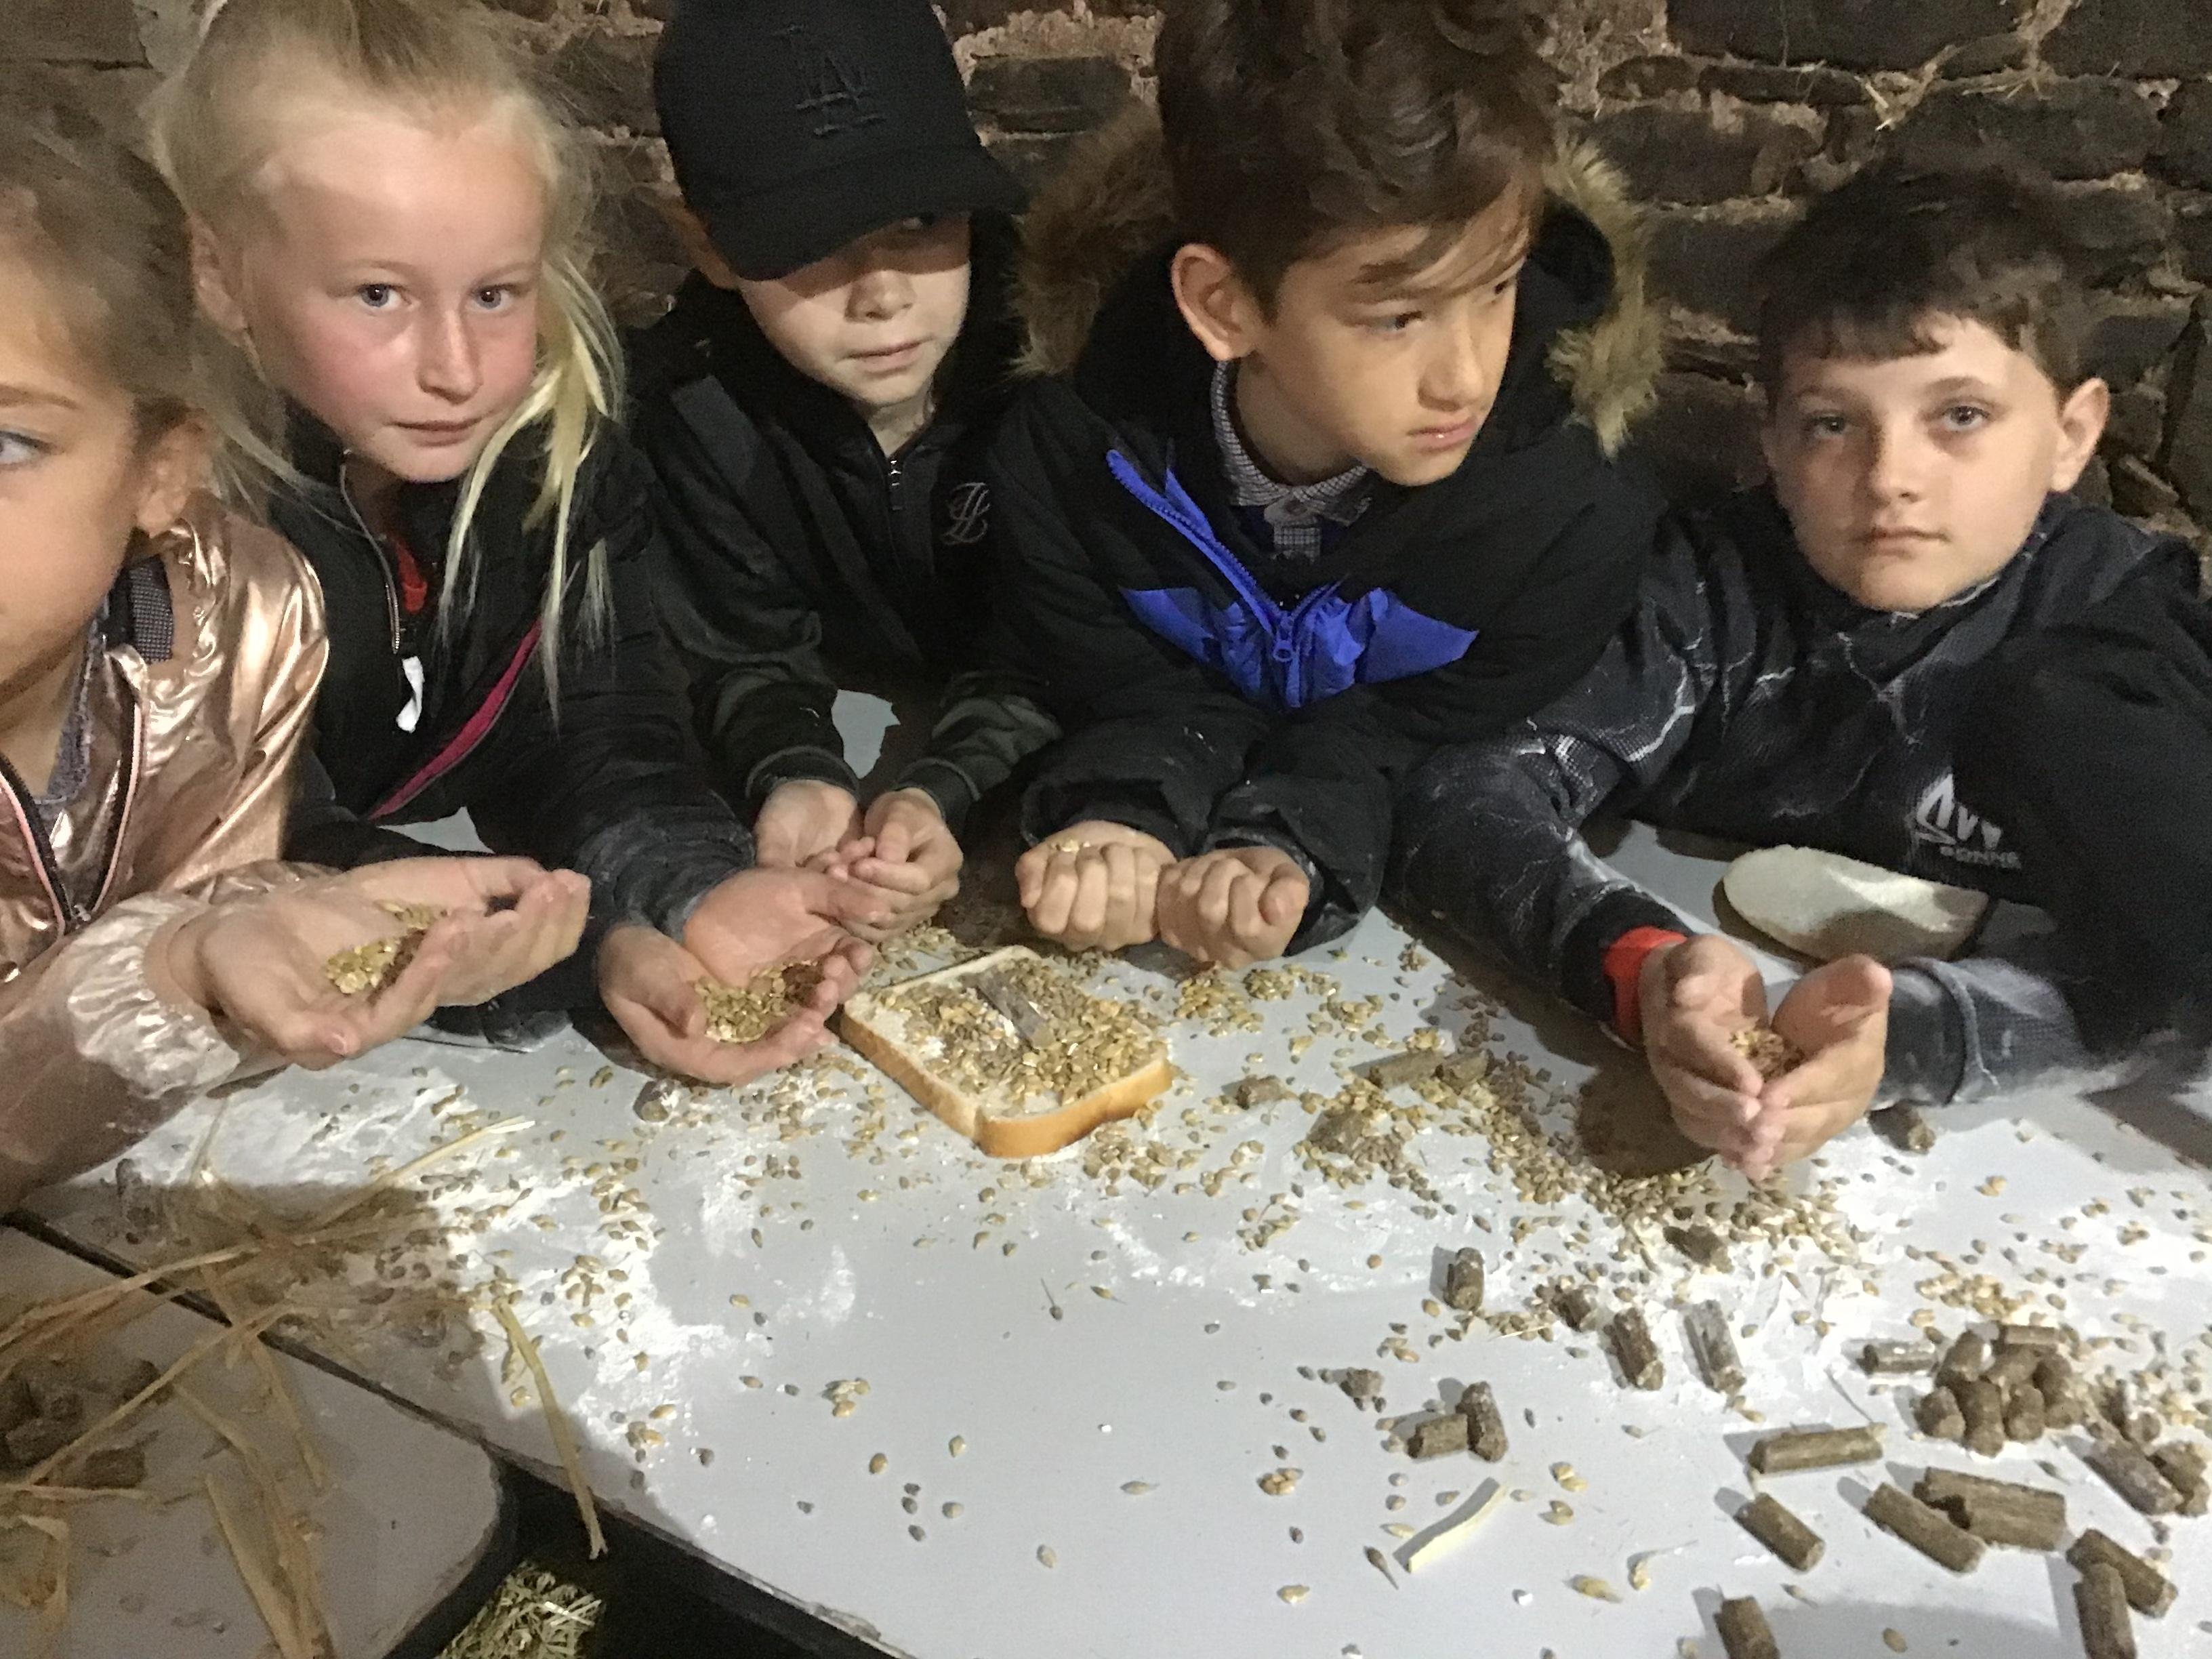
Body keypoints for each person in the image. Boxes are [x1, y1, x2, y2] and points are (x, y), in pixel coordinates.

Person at [1391, 157, 2200, 1177]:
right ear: (1771, 441)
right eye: (1832, 424)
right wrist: (1640, 967)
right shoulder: (1707, 595)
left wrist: (1913, 1037)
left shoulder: (2125, 640)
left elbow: (2189, 966)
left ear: (2071, 434)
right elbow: (1463, 790)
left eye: (1960, 416)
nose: (1890, 477)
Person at [152, 0, 881, 1086]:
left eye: (495, 294)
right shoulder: (164, 543)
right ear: (219, 275)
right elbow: (250, 840)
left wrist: (687, 885)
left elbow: (591, 724)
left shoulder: (555, 463)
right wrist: (582, 950)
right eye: (378, 295)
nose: (456, 368)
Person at [0, 95, 592, 1209]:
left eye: (4, 442)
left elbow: (213, 908)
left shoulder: (242, 617)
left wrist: (285, 929)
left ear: (161, 472)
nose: (450, 366)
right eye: (378, 294)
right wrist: (177, 973)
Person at [989, 0, 1666, 970]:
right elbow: (1130, 687)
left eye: (1497, 287)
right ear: (1223, 306)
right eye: (1397, 318)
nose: (1466, 378)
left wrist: (1295, 837)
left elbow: (1421, 733)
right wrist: (1126, 809)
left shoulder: (1571, 520)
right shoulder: (1068, 472)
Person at [632, 0, 1057, 939]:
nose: (883, 294)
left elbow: (1063, 642)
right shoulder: (696, 414)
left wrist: (948, 786)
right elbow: (741, 652)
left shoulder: (1058, 372)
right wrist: (795, 771)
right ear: (707, 246)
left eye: (920, 221)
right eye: (811, 240)